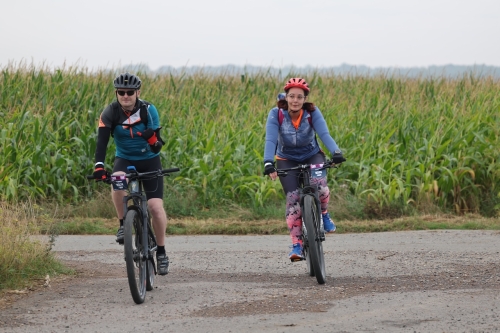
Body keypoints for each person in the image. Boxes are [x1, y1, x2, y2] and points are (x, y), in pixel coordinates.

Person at [92, 72, 170, 275]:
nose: (125, 96)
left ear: (138, 92)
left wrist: (152, 140)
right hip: (124, 159)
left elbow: (157, 147)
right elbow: (101, 144)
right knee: (117, 182)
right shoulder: (110, 112)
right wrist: (99, 166)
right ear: (117, 93)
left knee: (155, 207)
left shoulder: (148, 110)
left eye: (130, 92)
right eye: (121, 92)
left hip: (149, 160)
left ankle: (161, 252)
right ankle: (122, 224)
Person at [263, 77, 345, 260]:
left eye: (299, 97)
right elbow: (270, 139)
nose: (295, 100)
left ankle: (324, 214)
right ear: (286, 97)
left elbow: (324, 134)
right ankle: (297, 246)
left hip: (311, 155)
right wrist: (268, 162)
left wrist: (336, 152)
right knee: (293, 200)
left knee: (320, 186)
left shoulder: (312, 113)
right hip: (286, 158)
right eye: (291, 96)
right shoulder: (276, 113)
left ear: (305, 99)